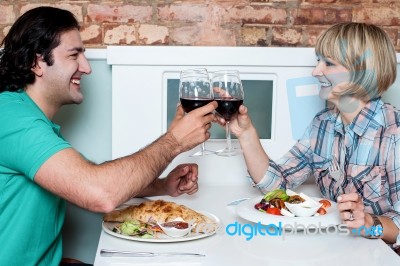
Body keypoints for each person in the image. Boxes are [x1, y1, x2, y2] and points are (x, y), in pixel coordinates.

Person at [0, 6, 217, 265]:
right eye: (74, 55)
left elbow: (81, 179)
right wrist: (174, 141)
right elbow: (98, 192)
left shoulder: (30, 119)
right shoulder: (11, 118)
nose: (87, 68)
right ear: (37, 63)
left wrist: (162, 185)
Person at [225, 22, 400, 248]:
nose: (315, 71)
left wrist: (369, 223)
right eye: (318, 61)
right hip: (336, 247)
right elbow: (277, 187)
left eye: (328, 63)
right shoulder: (322, 124)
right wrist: (246, 134)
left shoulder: (393, 133)